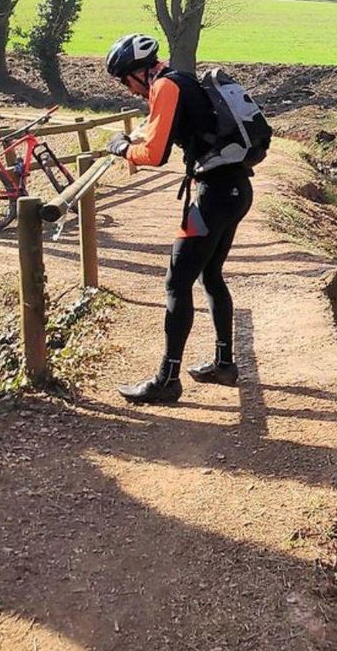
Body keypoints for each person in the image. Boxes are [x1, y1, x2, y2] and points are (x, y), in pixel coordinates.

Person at [104, 33, 254, 405]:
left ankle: (167, 380)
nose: (127, 90)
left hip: (213, 198)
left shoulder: (166, 87)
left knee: (176, 281)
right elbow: (161, 131)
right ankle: (224, 364)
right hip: (233, 190)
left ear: (138, 72)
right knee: (209, 274)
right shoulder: (181, 79)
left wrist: (121, 147)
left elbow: (155, 154)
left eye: (125, 81)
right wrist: (136, 142)